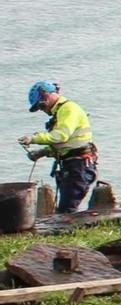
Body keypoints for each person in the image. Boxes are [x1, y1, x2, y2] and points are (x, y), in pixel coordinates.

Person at [19, 81, 96, 214]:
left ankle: (70, 232)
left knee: (67, 209)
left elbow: (61, 136)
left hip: (79, 166)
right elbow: (66, 144)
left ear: (46, 96)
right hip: (73, 165)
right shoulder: (60, 112)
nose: (42, 110)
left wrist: (34, 138)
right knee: (66, 207)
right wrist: (41, 152)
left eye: (41, 106)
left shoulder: (69, 109)